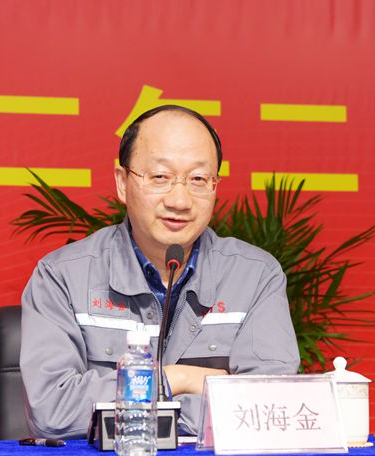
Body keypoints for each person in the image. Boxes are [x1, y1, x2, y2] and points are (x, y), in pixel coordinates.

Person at [20, 105, 300, 438]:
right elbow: (53, 412)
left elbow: (269, 407)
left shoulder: (255, 276)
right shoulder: (62, 277)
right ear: (122, 182)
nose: (180, 200)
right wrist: (174, 379)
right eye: (160, 177)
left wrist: (138, 409)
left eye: (198, 179)